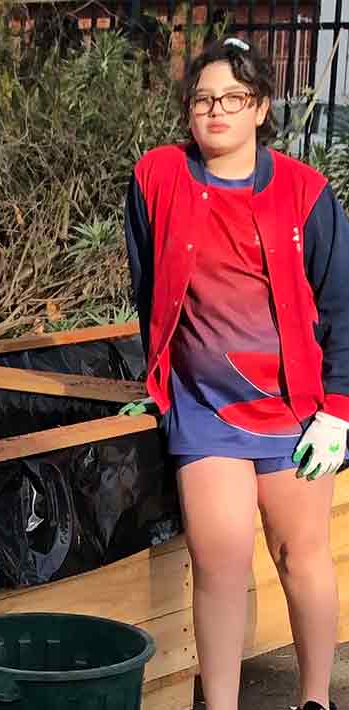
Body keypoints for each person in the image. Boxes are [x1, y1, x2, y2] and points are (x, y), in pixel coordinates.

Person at [123, 37, 348, 710]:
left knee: (299, 559)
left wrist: (337, 410)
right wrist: (158, 378)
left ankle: (312, 700)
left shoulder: (304, 192)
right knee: (216, 565)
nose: (215, 111)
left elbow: (341, 304)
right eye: (201, 99)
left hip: (294, 413)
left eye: (232, 98)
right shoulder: (156, 177)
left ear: (260, 109)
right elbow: (146, 287)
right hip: (203, 410)